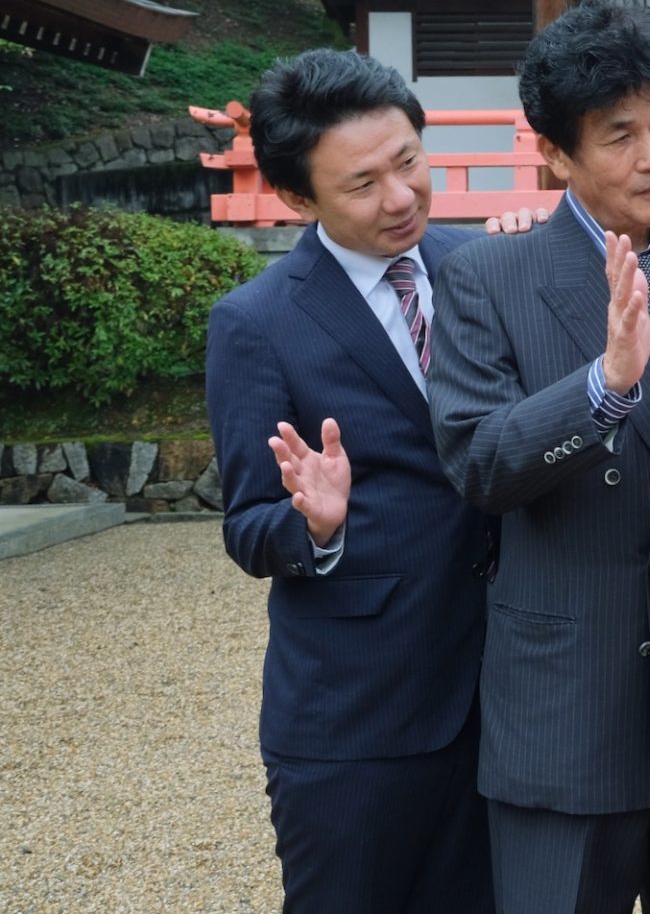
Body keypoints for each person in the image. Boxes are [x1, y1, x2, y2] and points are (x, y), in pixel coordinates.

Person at [428, 0, 650, 914]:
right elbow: (479, 462)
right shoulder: (486, 274)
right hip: (566, 708)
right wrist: (605, 388)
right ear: (553, 152)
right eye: (618, 134)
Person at [206, 50, 493, 914]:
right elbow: (248, 523)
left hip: (503, 695)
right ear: (300, 200)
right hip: (356, 720)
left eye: (409, 161)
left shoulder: (482, 267)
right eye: (362, 183)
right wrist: (315, 526)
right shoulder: (257, 323)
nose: (400, 197)